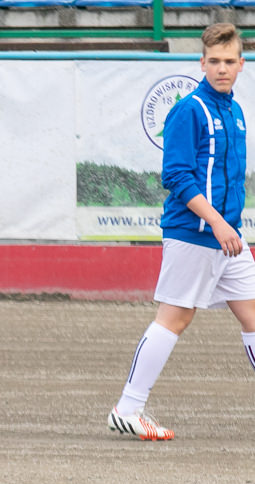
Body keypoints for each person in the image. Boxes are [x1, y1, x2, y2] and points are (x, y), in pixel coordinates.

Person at [108, 23, 251, 441]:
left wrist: (230, 225)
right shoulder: (189, 109)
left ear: (242, 64)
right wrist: (220, 223)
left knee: (253, 316)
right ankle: (128, 409)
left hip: (229, 238)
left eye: (229, 61)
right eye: (214, 62)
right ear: (201, 63)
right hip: (194, 234)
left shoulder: (235, 110)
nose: (222, 69)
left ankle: (129, 408)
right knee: (175, 318)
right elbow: (177, 176)